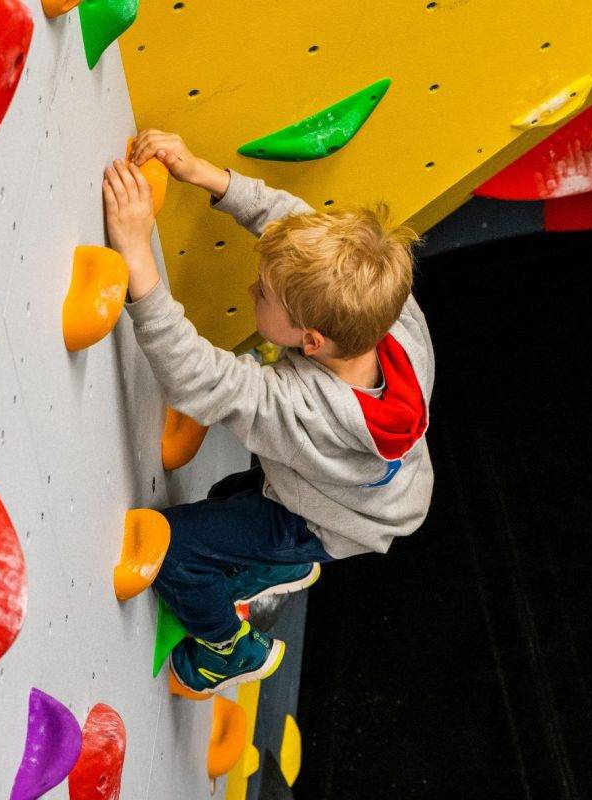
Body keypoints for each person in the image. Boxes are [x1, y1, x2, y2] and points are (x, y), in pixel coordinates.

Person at [103, 129, 435, 694]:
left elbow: (196, 375)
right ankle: (276, 565)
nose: (252, 287)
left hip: (329, 519)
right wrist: (209, 176)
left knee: (174, 548)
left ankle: (229, 650)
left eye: (262, 295)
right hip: (362, 486)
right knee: (229, 492)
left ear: (310, 342)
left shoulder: (300, 410)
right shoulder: (388, 312)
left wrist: (136, 252)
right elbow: (296, 225)